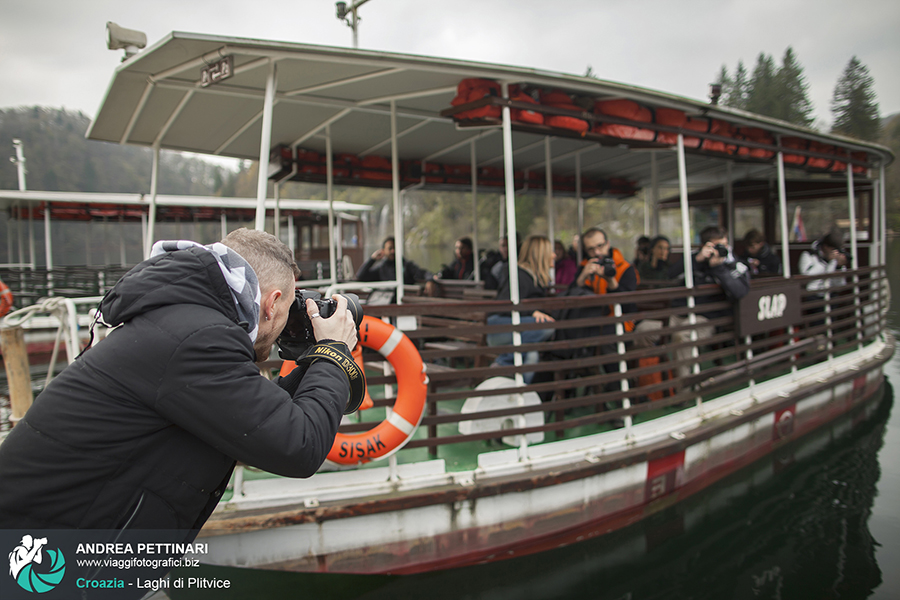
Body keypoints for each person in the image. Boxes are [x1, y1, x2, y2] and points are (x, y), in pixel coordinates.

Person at [0, 228, 359, 538]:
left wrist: (320, 360)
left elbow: (257, 417)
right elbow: (299, 446)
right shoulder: (196, 339)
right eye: (286, 313)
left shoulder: (183, 320)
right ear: (272, 303)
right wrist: (334, 349)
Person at [667, 225, 750, 380]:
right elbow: (669, 276)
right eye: (717, 246)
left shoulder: (734, 264)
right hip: (680, 314)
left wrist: (718, 268)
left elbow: (740, 291)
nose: (722, 249)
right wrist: (697, 259)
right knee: (646, 331)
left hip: (709, 318)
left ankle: (683, 390)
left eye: (724, 245)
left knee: (682, 336)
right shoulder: (693, 259)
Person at [486, 235, 556, 383]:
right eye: (551, 251)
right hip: (498, 327)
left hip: (514, 328)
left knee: (531, 355)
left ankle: (520, 394)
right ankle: (503, 362)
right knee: (546, 326)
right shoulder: (519, 275)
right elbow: (504, 304)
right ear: (541, 255)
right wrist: (530, 312)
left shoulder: (534, 278)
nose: (554, 255)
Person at [356, 236, 431, 285]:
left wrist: (430, 280)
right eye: (390, 248)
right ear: (383, 251)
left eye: (395, 248)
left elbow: (423, 273)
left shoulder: (407, 265)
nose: (393, 251)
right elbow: (360, 276)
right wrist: (372, 259)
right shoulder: (381, 268)